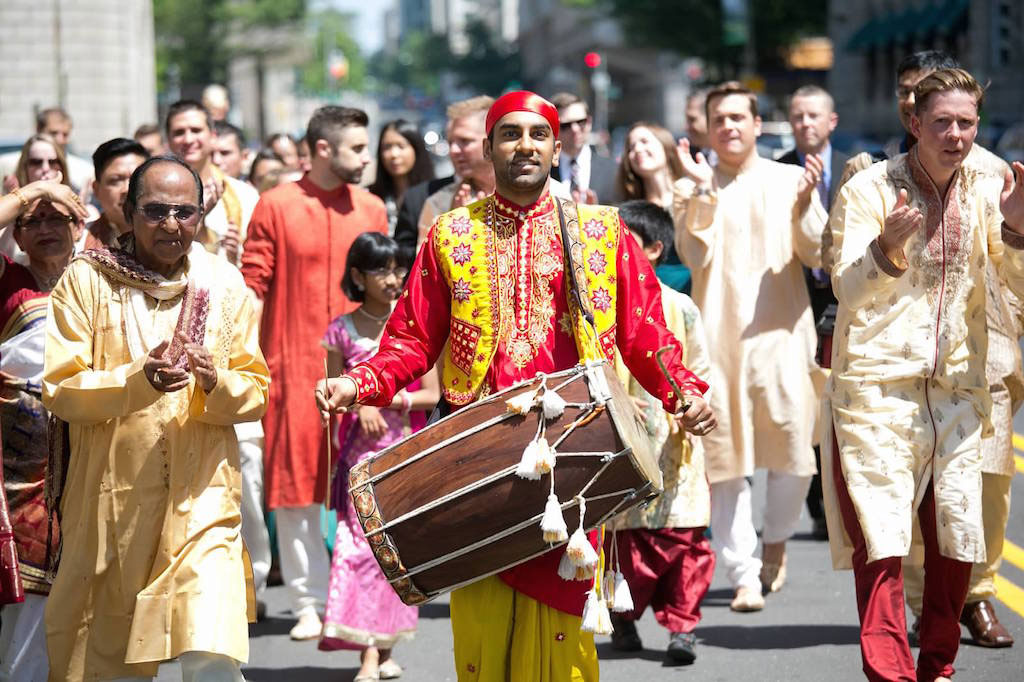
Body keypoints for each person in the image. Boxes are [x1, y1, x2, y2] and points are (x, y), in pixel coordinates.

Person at [316, 90, 715, 682]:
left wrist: (684, 391)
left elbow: (645, 335)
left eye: (537, 134)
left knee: (561, 644)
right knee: (482, 639)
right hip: (478, 461)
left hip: (575, 462)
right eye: (510, 134)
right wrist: (359, 382)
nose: (524, 145)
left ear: (556, 147)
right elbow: (411, 340)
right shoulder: (449, 236)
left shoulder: (603, 234)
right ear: (488, 148)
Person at [823, 67, 1024, 682]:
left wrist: (1017, 229)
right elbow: (845, 290)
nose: (956, 134)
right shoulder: (870, 190)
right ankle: (890, 672)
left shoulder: (991, 184)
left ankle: (937, 663)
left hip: (959, 388)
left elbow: (1012, 288)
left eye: (967, 123)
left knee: (958, 537)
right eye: (942, 121)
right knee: (882, 539)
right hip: (877, 387)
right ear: (914, 123)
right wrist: (885, 249)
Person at [41, 155, 270, 681]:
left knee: (212, 646)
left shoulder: (223, 284)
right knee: (104, 659)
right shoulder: (87, 282)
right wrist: (138, 381)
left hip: (203, 501)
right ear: (127, 210)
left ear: (202, 214)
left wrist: (216, 383)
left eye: (185, 212)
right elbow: (62, 387)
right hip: (113, 503)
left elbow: (256, 391)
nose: (171, 224)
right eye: (156, 210)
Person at [672, 81, 827, 613]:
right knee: (725, 462)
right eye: (719, 119)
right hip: (716, 343)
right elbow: (693, 254)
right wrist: (700, 191)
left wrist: (807, 203)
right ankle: (743, 573)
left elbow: (814, 253)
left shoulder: (790, 179)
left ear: (758, 125)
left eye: (739, 117)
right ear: (708, 128)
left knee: (792, 453)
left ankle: (776, 542)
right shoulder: (690, 185)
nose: (729, 127)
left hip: (782, 338)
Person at [241, 105, 388, 641]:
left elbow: (385, 290)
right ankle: (306, 600)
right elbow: (252, 287)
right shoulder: (275, 205)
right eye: (357, 148)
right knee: (296, 486)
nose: (366, 158)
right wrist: (247, 365)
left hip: (365, 372)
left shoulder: (372, 208)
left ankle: (358, 601)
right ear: (323, 149)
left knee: (363, 484)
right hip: (293, 366)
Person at [318, 233, 439, 681]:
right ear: (357, 276)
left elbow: (432, 392)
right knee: (359, 550)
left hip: (405, 454)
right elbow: (333, 397)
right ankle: (368, 653)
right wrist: (355, 404)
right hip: (357, 460)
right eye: (382, 271)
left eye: (398, 270)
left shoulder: (415, 328)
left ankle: (385, 647)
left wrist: (382, 401)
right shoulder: (340, 331)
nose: (394, 280)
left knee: (398, 552)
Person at [605, 200, 714, 666]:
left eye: (625, 242)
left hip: (674, 446)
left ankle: (684, 628)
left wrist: (697, 407)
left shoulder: (681, 308)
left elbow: (700, 370)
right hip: (617, 448)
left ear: (654, 249)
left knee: (683, 541)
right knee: (624, 546)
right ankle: (623, 618)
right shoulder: (595, 306)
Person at [0, 197, 80, 682]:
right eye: (34, 220)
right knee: (26, 596)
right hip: (20, 474)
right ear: (17, 232)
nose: (47, 228)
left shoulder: (96, 280)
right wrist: (33, 192)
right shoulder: (9, 281)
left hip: (86, 457)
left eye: (58, 218)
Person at [777, 84, 850, 541]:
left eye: (814, 116)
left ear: (831, 121)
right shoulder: (777, 171)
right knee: (802, 407)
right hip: (795, 301)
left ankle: (835, 500)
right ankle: (816, 502)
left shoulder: (855, 170)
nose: (806, 124)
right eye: (798, 116)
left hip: (842, 299)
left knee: (836, 403)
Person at [166, 99, 260, 265]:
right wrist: (199, 218)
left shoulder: (244, 194)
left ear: (213, 136)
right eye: (179, 132)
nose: (188, 139)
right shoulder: (158, 196)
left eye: (196, 130)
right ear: (168, 140)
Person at [617, 122, 692, 293]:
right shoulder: (629, 212)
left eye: (644, 141)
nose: (637, 149)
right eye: (631, 147)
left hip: (693, 292)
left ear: (665, 146)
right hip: (649, 297)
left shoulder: (691, 194)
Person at [416, 96, 495, 245]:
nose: (453, 150)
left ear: (490, 143)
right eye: (451, 142)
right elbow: (424, 265)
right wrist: (453, 228)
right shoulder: (438, 203)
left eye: (465, 141)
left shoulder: (530, 195)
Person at [1, 134, 75, 264]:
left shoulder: (81, 209)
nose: (45, 169)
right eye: (36, 162)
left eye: (52, 162)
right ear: (24, 168)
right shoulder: (8, 213)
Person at [367, 119, 435, 235]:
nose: (394, 154)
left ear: (416, 149)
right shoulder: (370, 196)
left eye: (401, 146)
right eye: (387, 147)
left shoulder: (434, 194)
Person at [549, 92, 619, 203]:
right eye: (566, 125)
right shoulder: (544, 173)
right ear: (554, 129)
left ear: (589, 122)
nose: (575, 129)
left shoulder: (614, 170)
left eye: (581, 122)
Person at [83, 138, 149, 249]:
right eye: (115, 180)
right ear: (96, 190)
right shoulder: (77, 241)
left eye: (136, 179)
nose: (127, 189)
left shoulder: (174, 239)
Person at [683, 89, 715, 164]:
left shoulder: (733, 156)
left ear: (710, 117)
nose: (686, 127)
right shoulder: (687, 156)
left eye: (692, 119)